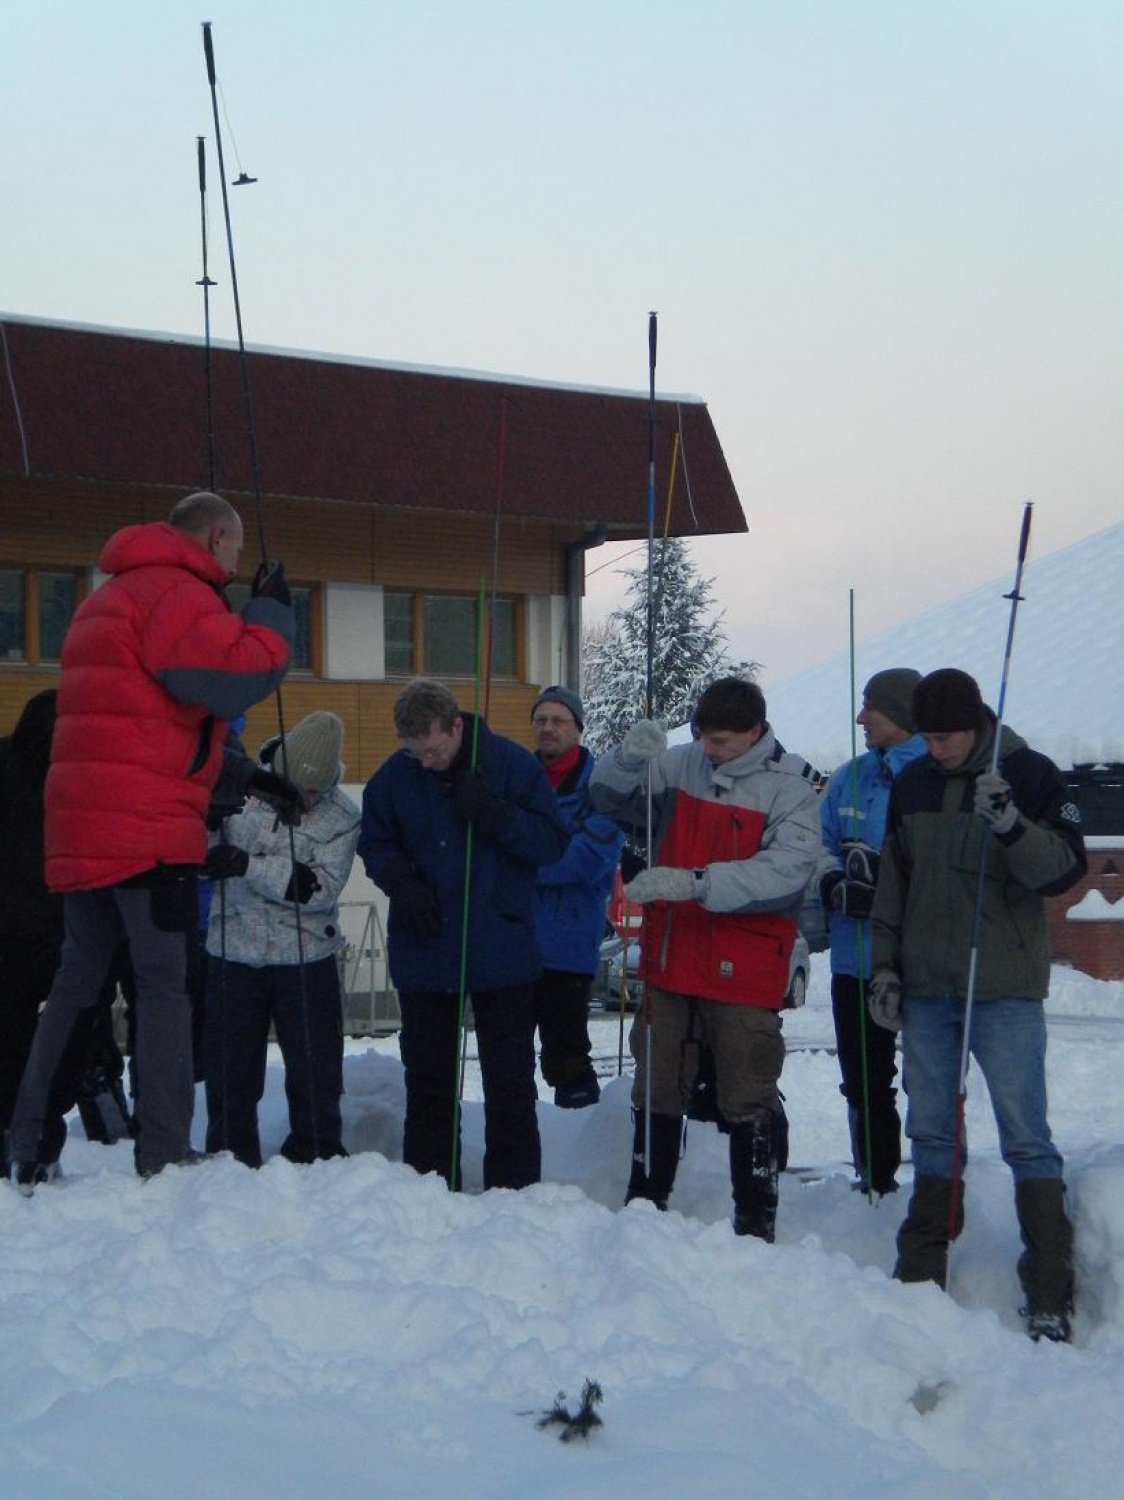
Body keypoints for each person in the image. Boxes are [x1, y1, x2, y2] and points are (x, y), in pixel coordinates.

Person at [8, 491, 298, 1191]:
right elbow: (233, 684)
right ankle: (165, 1152)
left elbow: (151, 726)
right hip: (146, 835)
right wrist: (272, 614)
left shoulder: (105, 601)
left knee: (75, 986)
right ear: (219, 536)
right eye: (233, 550)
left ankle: (28, 1140)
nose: (233, 564)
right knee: (164, 989)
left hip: (86, 830)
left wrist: (248, 779)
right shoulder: (177, 595)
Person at [869, 668, 1086, 1342]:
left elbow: (1064, 872)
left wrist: (1013, 825)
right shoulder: (912, 784)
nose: (937, 749)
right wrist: (884, 968)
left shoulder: (1030, 773)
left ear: (977, 724)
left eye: (948, 736)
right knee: (931, 1126)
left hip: (1005, 990)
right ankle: (922, 1264)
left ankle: (1049, 1285)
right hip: (929, 989)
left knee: (1026, 1135)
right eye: (928, 737)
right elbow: (892, 885)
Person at [589, 677, 822, 1242]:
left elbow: (787, 873)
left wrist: (696, 883)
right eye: (701, 737)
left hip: (745, 967)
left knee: (747, 1087)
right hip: (671, 956)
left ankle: (755, 1216)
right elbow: (609, 800)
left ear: (755, 732)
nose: (707, 750)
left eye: (720, 741)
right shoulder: (681, 763)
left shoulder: (793, 788)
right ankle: (646, 1199)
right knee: (657, 1081)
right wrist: (624, 760)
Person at [358, 678, 568, 1191]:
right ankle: (430, 1185)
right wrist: (402, 884)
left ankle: (514, 1190)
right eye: (415, 753)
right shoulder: (393, 778)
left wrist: (498, 816)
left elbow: (552, 842)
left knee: (510, 1081)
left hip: (502, 947)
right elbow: (376, 843)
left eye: (433, 750)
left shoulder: (513, 767)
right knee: (428, 1080)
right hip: (425, 949)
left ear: (456, 726)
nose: (425, 761)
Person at [203, 711, 360, 1168]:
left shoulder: (343, 818)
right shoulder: (238, 791)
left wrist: (247, 865)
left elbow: (318, 890)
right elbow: (202, 850)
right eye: (300, 788)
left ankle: (317, 1157)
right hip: (231, 951)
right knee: (230, 1072)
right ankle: (230, 1160)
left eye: (317, 789)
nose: (309, 798)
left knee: (315, 1072)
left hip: (306, 956)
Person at [818, 668, 927, 1196]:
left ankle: (937, 1191)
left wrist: (890, 882)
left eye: (872, 708)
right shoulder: (849, 777)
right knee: (864, 1083)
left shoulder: (938, 774)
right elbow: (816, 844)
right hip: (854, 958)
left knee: (931, 1083)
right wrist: (835, 880)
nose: (861, 718)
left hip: (925, 961)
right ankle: (875, 1185)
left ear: (904, 714)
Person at [528, 686, 624, 1109]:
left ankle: (580, 1148)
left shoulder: (602, 786)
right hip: (514, 941)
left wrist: (524, 862)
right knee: (509, 1058)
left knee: (566, 1057)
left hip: (568, 944)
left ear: (579, 729)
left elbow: (588, 859)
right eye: (541, 720)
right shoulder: (517, 779)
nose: (548, 728)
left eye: (558, 720)